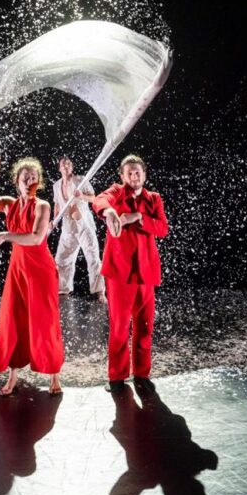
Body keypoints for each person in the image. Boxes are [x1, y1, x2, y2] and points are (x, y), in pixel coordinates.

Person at [0, 156, 64, 395]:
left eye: (34, 178)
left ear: (39, 182)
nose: (30, 181)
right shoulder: (9, 204)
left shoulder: (42, 206)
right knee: (13, 322)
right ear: (17, 182)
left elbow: (35, 238)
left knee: (45, 323)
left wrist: (6, 235)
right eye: (25, 178)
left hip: (40, 271)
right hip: (18, 271)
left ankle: (54, 376)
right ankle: (12, 376)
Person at [93, 155, 168, 393]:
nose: (134, 177)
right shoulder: (116, 193)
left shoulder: (153, 199)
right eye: (130, 173)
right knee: (120, 326)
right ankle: (117, 377)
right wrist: (110, 214)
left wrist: (138, 218)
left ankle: (142, 374)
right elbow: (99, 200)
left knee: (145, 326)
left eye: (138, 173)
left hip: (146, 273)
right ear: (122, 176)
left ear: (144, 174)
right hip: (120, 273)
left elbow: (162, 228)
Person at [52, 155, 107, 303]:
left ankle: (99, 291)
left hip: (83, 224)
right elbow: (57, 204)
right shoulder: (56, 185)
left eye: (69, 163)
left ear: (72, 166)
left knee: (93, 257)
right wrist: (54, 220)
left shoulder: (81, 180)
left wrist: (81, 195)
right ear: (59, 167)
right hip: (68, 227)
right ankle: (63, 290)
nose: (66, 165)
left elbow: (94, 198)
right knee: (62, 259)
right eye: (63, 163)